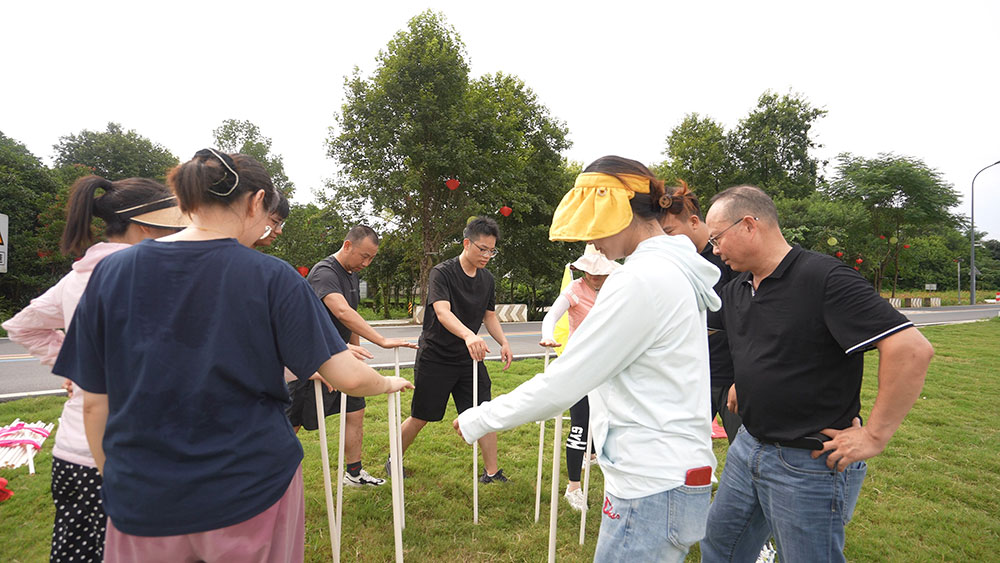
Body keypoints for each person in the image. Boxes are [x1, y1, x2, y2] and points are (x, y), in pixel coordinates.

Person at [52, 149, 412, 563]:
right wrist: (386, 382)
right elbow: (347, 376)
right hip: (250, 489)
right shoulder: (272, 277)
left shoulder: (111, 273)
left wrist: (115, 477)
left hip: (143, 498)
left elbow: (95, 402)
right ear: (257, 201)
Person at [455, 156, 722, 562]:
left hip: (650, 480)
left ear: (625, 210)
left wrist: (479, 418)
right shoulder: (672, 270)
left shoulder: (639, 280)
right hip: (671, 473)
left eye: (596, 222)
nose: (591, 241)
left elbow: (565, 380)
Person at [700, 185, 934, 563]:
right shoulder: (739, 287)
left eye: (717, 238)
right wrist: (738, 381)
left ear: (748, 225)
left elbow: (911, 350)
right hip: (748, 447)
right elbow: (731, 335)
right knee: (720, 546)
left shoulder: (824, 278)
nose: (714, 250)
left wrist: (874, 435)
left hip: (809, 462)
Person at [2, 175, 189, 563]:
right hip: (132, 451)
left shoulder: (77, 277)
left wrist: (73, 366)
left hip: (73, 451)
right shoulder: (150, 275)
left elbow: (21, 325)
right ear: (143, 226)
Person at [286, 225, 417, 487]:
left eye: (371, 258)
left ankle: (354, 473)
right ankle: (276, 478)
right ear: (347, 246)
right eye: (363, 256)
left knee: (355, 412)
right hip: (315, 362)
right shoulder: (325, 273)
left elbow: (349, 321)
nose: (366, 263)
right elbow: (342, 311)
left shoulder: (352, 274)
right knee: (292, 424)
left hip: (342, 359)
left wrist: (355, 355)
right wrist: (381, 340)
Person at [396, 217, 513, 483]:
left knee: (483, 412)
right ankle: (394, 457)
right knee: (421, 416)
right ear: (466, 243)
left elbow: (489, 315)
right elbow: (442, 311)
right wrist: (469, 335)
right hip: (436, 356)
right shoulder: (442, 272)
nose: (487, 255)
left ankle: (492, 472)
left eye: (491, 251)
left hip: (469, 359)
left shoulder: (487, 279)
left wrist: (503, 342)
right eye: (482, 249)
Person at [658, 181, 741, 443]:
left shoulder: (729, 253)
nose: (665, 241)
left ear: (694, 221)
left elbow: (750, 317)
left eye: (669, 231)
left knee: (746, 450)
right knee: (682, 449)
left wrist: (744, 379)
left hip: (733, 378)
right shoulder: (671, 260)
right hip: (691, 376)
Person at [538, 244, 618, 511]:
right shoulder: (574, 290)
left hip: (609, 365)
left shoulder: (617, 288)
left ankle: (598, 459)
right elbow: (552, 316)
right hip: (579, 365)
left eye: (600, 272)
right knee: (580, 423)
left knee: (611, 420)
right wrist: (548, 335)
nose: (594, 277)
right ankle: (573, 486)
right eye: (590, 271)